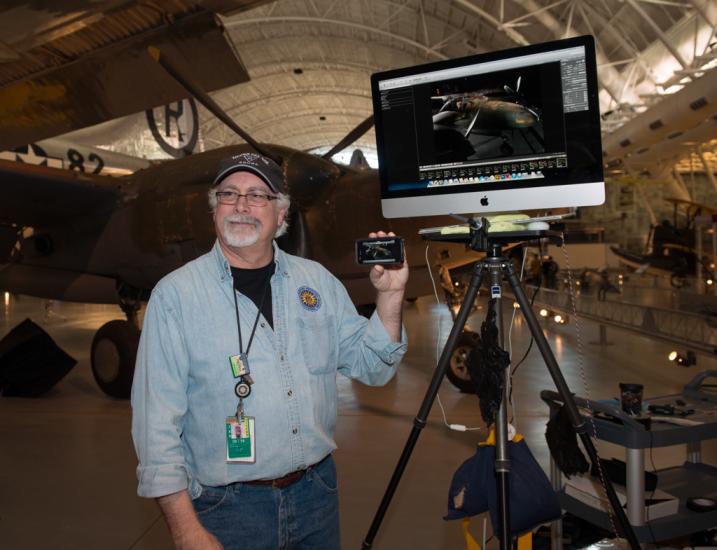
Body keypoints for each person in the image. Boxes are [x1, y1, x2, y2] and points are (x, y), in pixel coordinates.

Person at [131, 152, 409, 550]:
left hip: (316, 495)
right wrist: (185, 529)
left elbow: (373, 367)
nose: (241, 205)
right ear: (214, 212)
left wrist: (390, 297)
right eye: (229, 194)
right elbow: (155, 426)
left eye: (258, 195)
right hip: (226, 508)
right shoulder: (175, 297)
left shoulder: (317, 282)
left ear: (281, 216)